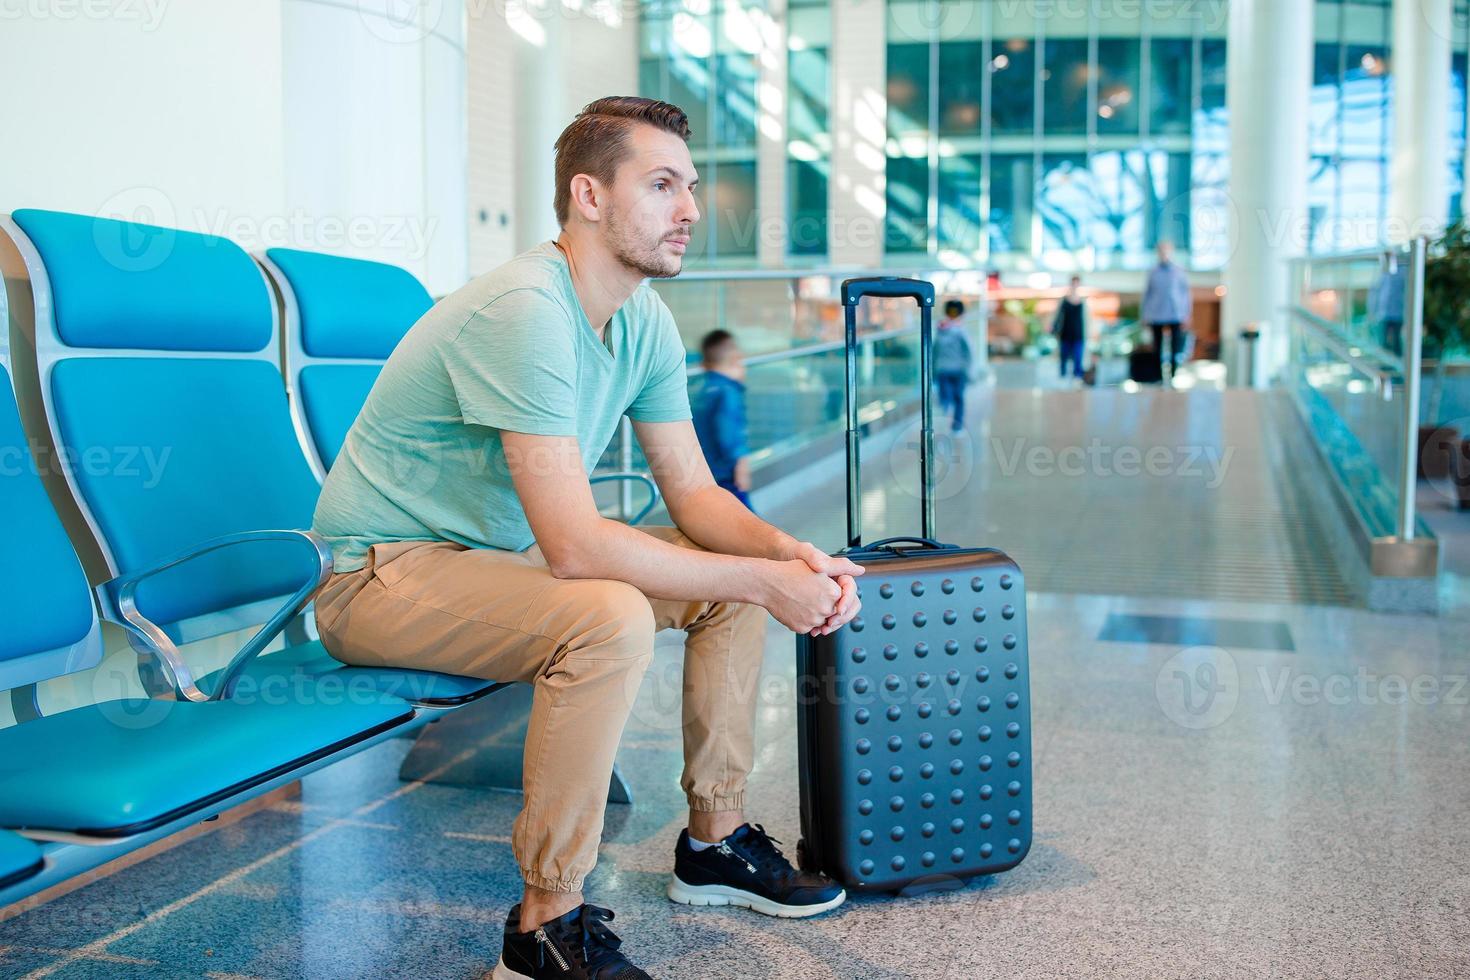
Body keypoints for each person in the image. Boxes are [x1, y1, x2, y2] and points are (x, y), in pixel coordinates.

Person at [309, 97, 858, 980]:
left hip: (492, 565)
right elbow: (572, 546)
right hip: (377, 575)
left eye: (690, 187)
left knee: (733, 575)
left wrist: (786, 557)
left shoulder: (642, 320)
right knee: (608, 615)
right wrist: (768, 583)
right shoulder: (525, 310)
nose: (688, 210)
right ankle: (544, 924)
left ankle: (714, 842)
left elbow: (694, 489)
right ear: (589, 196)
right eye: (662, 185)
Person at [692, 329, 753, 509]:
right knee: (746, 523)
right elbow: (728, 432)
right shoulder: (728, 392)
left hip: (703, 471)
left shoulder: (700, 389)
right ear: (736, 359)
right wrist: (741, 464)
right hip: (726, 473)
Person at [1142, 240, 1192, 384]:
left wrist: (1187, 314)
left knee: (1175, 348)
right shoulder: (1152, 272)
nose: (1164, 253)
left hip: (1175, 315)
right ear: (1158, 253)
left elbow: (1186, 295)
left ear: (1171, 252)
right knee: (1157, 348)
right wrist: (1145, 315)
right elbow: (1147, 295)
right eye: (1161, 251)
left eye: (1166, 250)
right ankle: (1159, 376)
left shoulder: (1179, 271)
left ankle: (1173, 375)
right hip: (1156, 315)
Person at [934, 299, 973, 432]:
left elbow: (935, 350)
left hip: (944, 369)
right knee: (958, 398)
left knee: (949, 397)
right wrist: (969, 370)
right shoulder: (961, 330)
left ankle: (949, 420)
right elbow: (969, 352)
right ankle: (956, 426)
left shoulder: (940, 329)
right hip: (956, 370)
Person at [1052, 276, 1087, 382]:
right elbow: (1058, 317)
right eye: (1073, 283)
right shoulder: (1064, 301)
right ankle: (1062, 377)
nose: (1075, 285)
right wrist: (1054, 328)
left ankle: (1077, 378)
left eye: (1077, 283)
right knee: (1063, 357)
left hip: (1078, 335)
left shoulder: (1083, 302)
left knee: (1078, 358)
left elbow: (1086, 320)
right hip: (1065, 334)